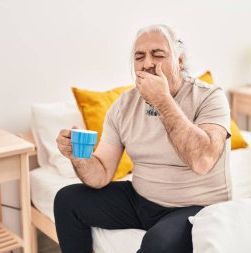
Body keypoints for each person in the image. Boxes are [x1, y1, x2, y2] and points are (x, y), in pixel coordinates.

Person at [54, 24, 231, 253]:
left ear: (179, 61)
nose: (147, 63)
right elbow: (100, 173)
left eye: (158, 54)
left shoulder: (209, 97)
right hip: (140, 200)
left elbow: (202, 160)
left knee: (157, 244)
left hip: (196, 206)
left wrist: (163, 101)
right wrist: (78, 157)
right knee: (67, 200)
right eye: (139, 57)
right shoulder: (123, 106)